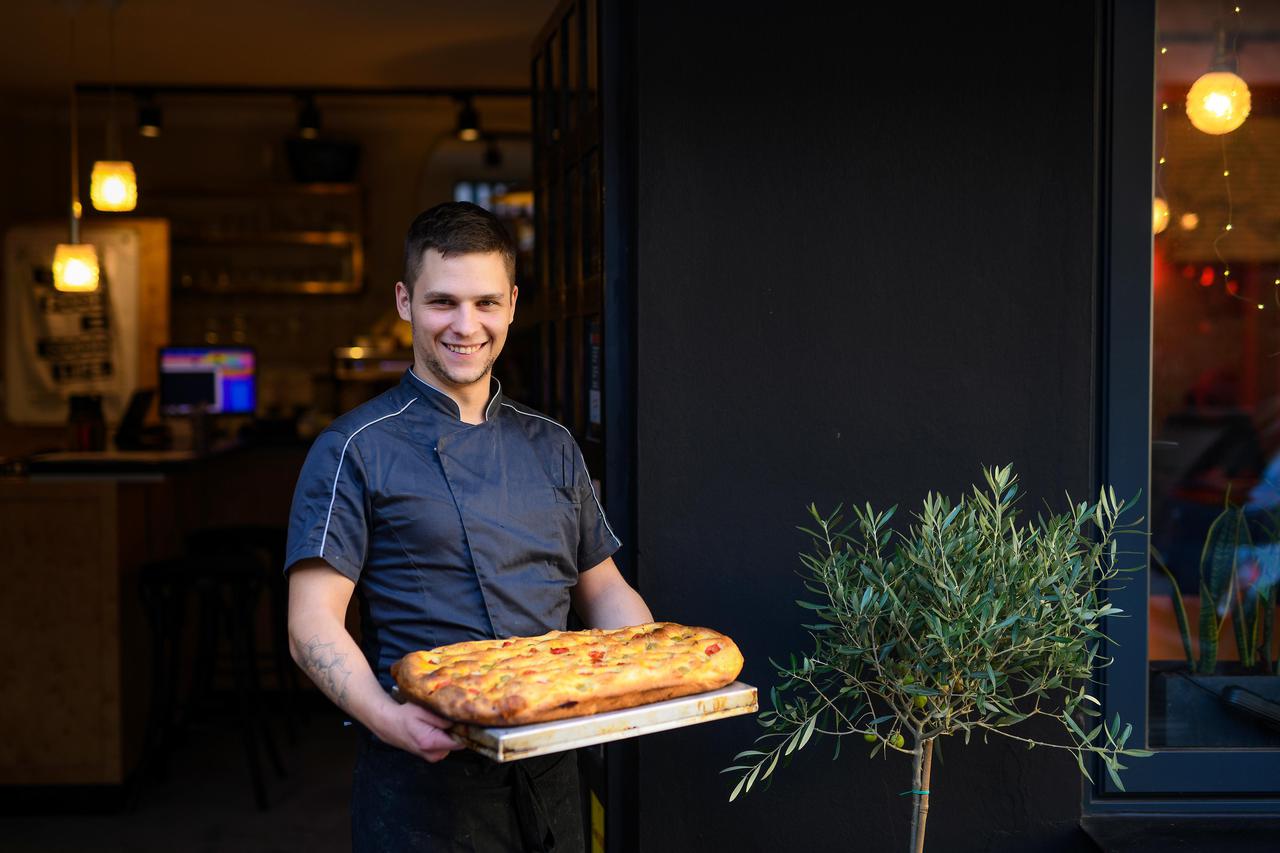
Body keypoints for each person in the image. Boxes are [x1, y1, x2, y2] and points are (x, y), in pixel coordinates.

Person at [284, 201, 653, 852]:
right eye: (442, 302)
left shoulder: (554, 443)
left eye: (485, 302)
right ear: (404, 301)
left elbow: (605, 591)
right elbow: (311, 624)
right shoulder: (353, 448)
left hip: (553, 771)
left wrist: (651, 671)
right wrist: (389, 719)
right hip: (426, 790)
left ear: (512, 303)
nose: (466, 325)